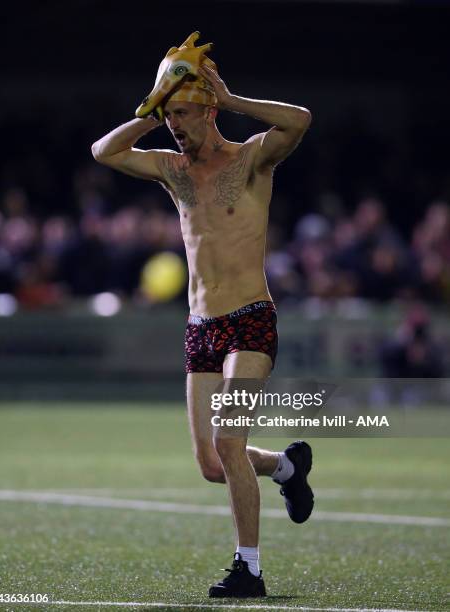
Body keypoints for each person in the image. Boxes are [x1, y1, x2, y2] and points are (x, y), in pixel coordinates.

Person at [92, 33, 314, 599]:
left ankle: (249, 570)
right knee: (213, 464)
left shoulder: (251, 158)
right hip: (200, 330)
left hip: (249, 321)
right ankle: (287, 468)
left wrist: (234, 99)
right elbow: (105, 153)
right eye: (170, 116)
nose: (176, 125)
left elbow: (300, 120)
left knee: (229, 443)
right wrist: (150, 104)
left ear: (208, 108)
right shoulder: (174, 171)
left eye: (184, 113)